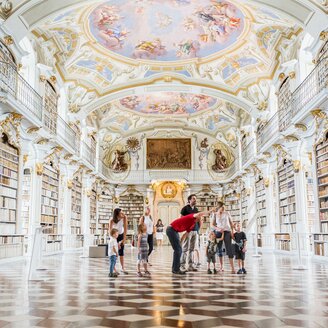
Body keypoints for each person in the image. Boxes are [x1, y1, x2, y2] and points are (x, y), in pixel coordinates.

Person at [166, 211, 210, 275]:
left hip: (175, 231)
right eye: (201, 217)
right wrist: (209, 212)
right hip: (171, 229)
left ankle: (175, 269)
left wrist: (180, 243)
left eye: (202, 219)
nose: (201, 218)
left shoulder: (193, 225)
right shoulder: (191, 216)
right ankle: (176, 269)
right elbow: (199, 214)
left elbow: (185, 235)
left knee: (178, 250)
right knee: (178, 250)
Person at [211, 202, 235, 273]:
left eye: (224, 207)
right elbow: (212, 225)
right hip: (218, 233)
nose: (224, 208)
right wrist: (218, 229)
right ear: (218, 207)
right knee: (219, 249)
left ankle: (232, 268)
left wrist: (232, 232)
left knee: (229, 249)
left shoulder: (227, 213)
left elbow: (231, 223)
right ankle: (221, 267)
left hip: (227, 232)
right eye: (222, 207)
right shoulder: (214, 214)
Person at [180, 194, 200, 272]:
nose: (195, 200)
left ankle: (191, 265)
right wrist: (185, 229)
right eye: (193, 199)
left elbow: (198, 219)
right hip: (188, 230)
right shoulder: (185, 208)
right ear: (189, 200)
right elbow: (181, 219)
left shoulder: (196, 209)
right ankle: (182, 265)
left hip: (195, 230)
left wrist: (198, 229)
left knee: (192, 249)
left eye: (195, 199)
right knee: (185, 248)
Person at [109, 208, 129, 274]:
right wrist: (113, 240)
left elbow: (126, 228)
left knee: (121, 252)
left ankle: (122, 268)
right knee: (114, 253)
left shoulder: (124, 217)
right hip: (114, 237)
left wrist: (124, 239)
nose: (122, 213)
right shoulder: (112, 220)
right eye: (121, 213)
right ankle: (114, 269)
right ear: (117, 214)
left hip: (121, 235)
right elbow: (110, 231)